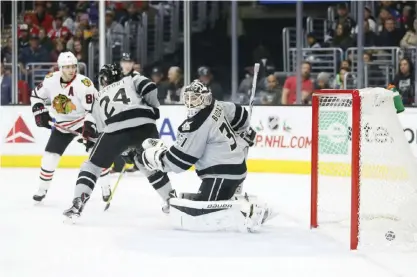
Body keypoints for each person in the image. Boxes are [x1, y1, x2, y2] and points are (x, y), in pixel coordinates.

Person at [139, 80, 270, 232]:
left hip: (220, 174)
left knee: (205, 213)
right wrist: (244, 132)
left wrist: (156, 158)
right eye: (188, 98)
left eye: (195, 98)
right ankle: (240, 206)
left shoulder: (196, 124)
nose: (191, 103)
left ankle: (249, 211)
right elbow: (241, 114)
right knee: (213, 201)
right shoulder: (217, 105)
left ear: (205, 98)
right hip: (235, 168)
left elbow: (180, 162)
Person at [63, 63, 173, 220]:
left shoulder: (99, 98)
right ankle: (171, 199)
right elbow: (149, 86)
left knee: (92, 165)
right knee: (147, 163)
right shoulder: (131, 79)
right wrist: (154, 108)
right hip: (146, 125)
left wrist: (123, 148)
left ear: (103, 80)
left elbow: (104, 131)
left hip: (116, 129)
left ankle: (78, 202)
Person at [30, 51, 111, 203]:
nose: (71, 70)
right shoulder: (50, 80)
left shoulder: (84, 84)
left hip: (83, 121)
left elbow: (93, 109)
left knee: (96, 155)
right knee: (49, 158)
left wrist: (89, 126)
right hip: (62, 124)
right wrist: (39, 111)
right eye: (67, 67)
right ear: (60, 68)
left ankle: (106, 187)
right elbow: (36, 96)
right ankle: (42, 189)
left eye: (73, 66)